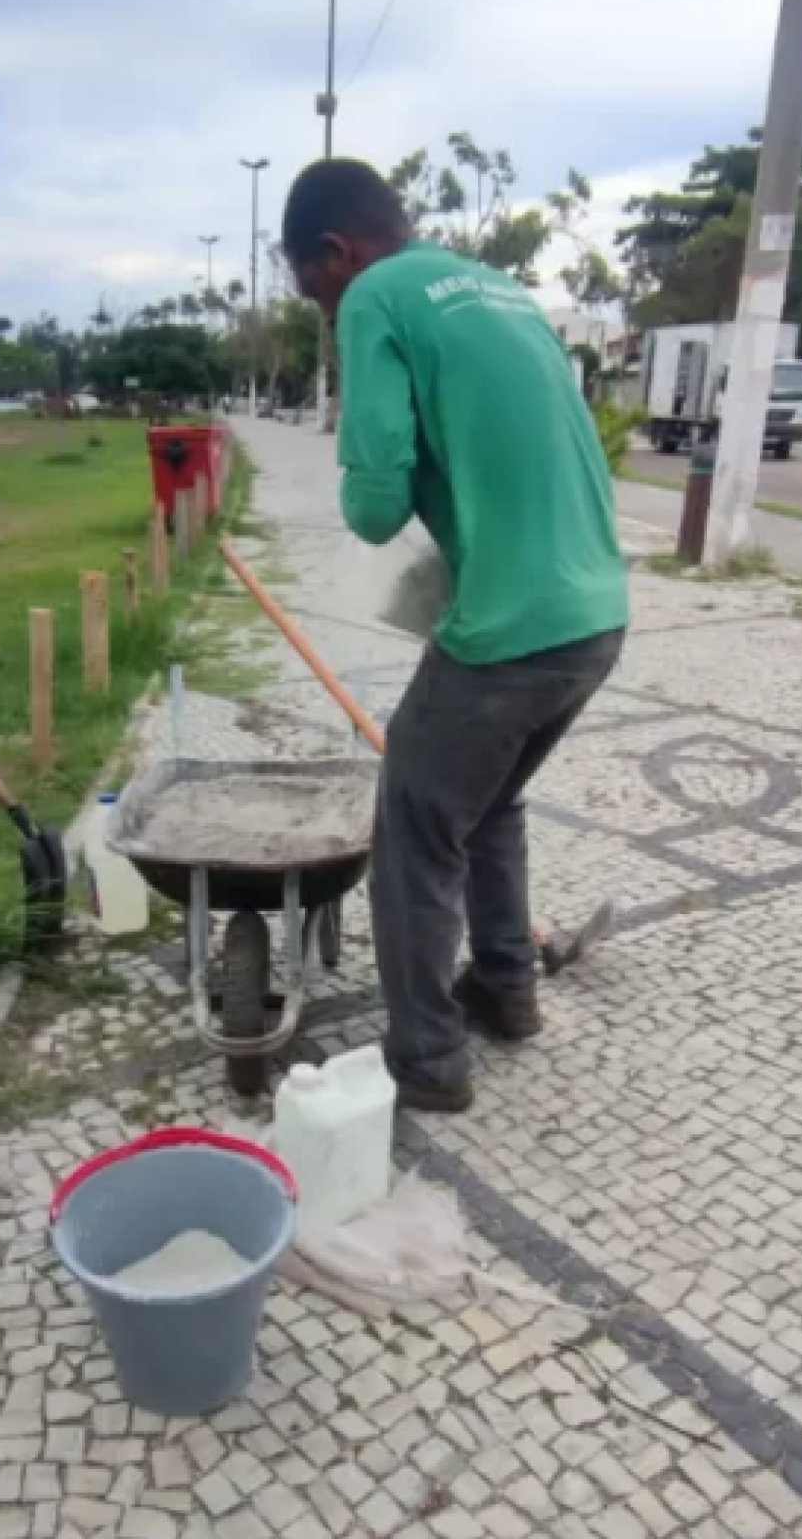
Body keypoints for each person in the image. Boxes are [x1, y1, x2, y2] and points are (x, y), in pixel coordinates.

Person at [281, 158, 628, 1113]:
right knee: (489, 801)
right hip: (597, 617)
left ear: (337, 252)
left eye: (313, 292)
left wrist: (368, 469)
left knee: (413, 832)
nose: (324, 314)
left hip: (511, 630)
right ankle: (506, 987)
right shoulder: (499, 289)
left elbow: (374, 505)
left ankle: (429, 1061)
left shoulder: (376, 295)